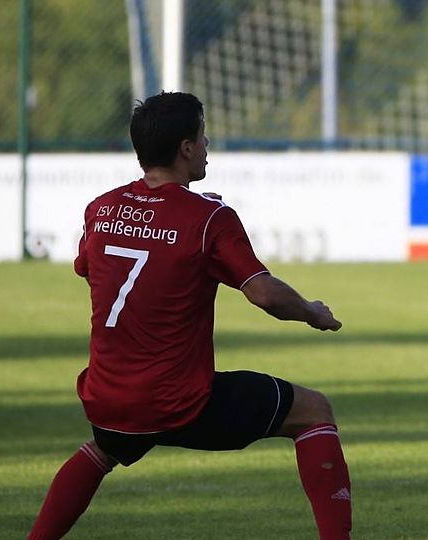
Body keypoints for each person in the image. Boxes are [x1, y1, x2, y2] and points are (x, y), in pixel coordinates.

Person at [27, 92, 352, 540]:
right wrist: (312, 312)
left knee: (104, 450)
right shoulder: (209, 219)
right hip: (181, 402)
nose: (206, 143)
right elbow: (263, 294)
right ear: (185, 148)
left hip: (110, 397)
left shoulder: (100, 209)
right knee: (313, 410)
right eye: (202, 135)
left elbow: (89, 266)